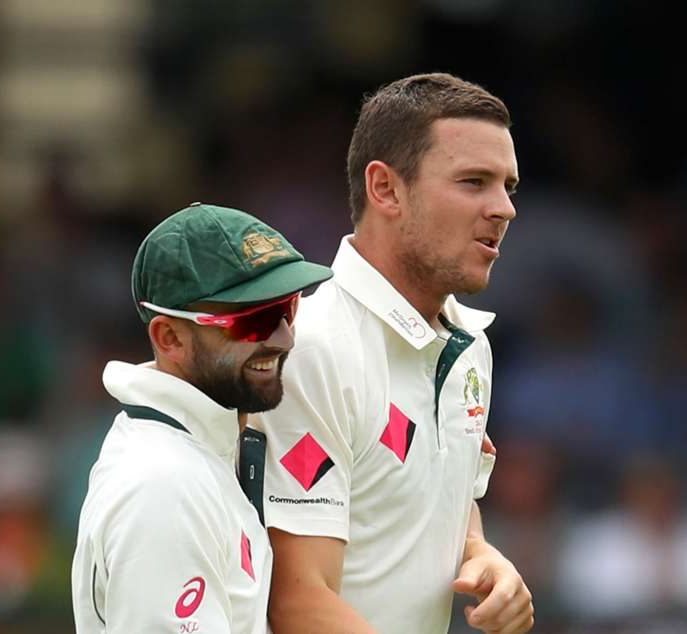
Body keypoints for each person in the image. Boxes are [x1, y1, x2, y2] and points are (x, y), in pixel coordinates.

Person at [250, 73, 535, 633]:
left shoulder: (469, 343)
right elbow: (297, 601)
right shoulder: (312, 349)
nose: (504, 209)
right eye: (474, 181)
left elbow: (433, 501)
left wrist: (481, 555)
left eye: (509, 187)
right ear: (385, 189)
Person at [71, 203, 333, 633]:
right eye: (256, 320)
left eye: (287, 308)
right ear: (169, 337)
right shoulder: (164, 484)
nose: (284, 338)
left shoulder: (199, 454)